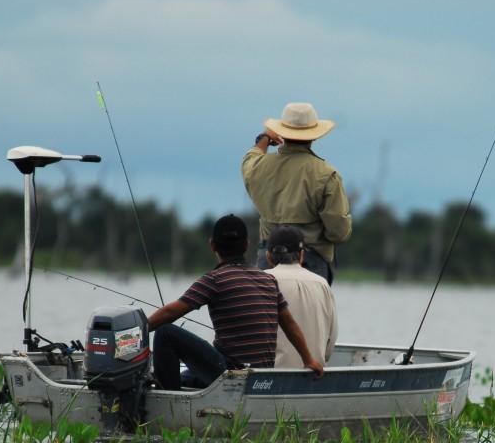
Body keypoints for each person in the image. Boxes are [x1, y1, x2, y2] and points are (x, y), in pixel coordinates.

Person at [146, 214, 323, 390]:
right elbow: (290, 324)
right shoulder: (268, 280)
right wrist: (309, 360)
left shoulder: (214, 279)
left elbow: (169, 313)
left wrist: (137, 331)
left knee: (165, 333)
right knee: (186, 377)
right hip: (262, 377)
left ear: (212, 245)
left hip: (231, 375)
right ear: (246, 245)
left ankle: (169, 402)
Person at [242, 102, 352, 285]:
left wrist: (264, 139)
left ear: (282, 133)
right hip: (310, 263)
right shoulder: (326, 174)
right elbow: (338, 233)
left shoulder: (257, 167)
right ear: (314, 136)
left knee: (267, 313)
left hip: (267, 262)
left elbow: (249, 159)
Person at [264, 226, 338, 368]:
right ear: (302, 255)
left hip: (269, 380)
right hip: (314, 377)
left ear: (268, 257)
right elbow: (329, 348)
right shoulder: (322, 284)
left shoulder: (262, 280)